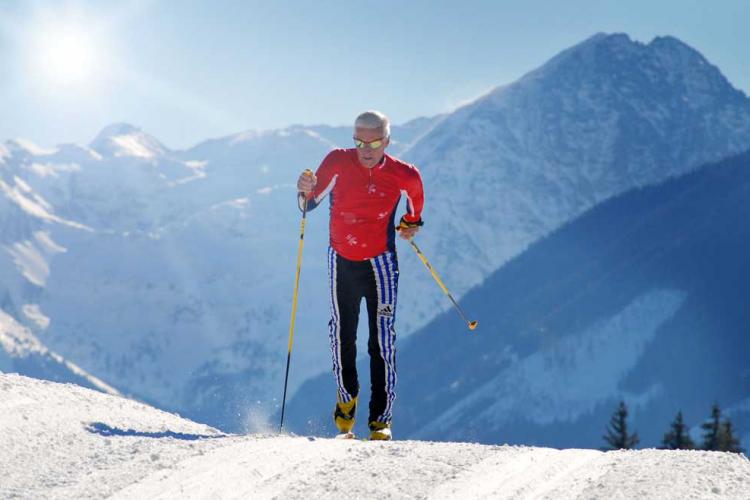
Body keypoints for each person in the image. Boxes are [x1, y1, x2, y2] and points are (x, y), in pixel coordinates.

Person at [296, 110, 424, 440]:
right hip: (342, 261)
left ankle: (380, 420)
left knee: (381, 339)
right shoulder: (337, 162)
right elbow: (308, 205)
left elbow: (415, 206)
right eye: (359, 141)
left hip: (380, 265)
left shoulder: (403, 174)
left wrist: (410, 226)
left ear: (388, 141)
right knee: (343, 334)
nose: (366, 149)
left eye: (375, 142)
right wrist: (302, 189)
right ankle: (346, 398)